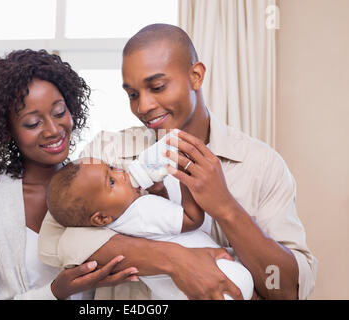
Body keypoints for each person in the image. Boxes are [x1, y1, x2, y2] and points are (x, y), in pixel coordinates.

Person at [38, 24, 318, 300]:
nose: (143, 106)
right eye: (133, 94)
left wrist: (226, 208)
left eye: (157, 86)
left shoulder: (261, 165)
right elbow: (56, 245)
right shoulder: (106, 152)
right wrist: (174, 260)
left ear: (196, 76)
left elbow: (287, 289)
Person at [0, 49, 139, 300]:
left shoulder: (98, 182)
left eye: (59, 111)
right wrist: (54, 293)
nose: (53, 130)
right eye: (32, 123)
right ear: (7, 131)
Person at [46, 157, 254, 300]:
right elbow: (191, 219)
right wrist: (185, 179)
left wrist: (160, 191)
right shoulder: (141, 207)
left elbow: (162, 229)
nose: (121, 173)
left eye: (111, 167)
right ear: (100, 218)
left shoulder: (113, 229)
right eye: (111, 181)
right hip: (223, 280)